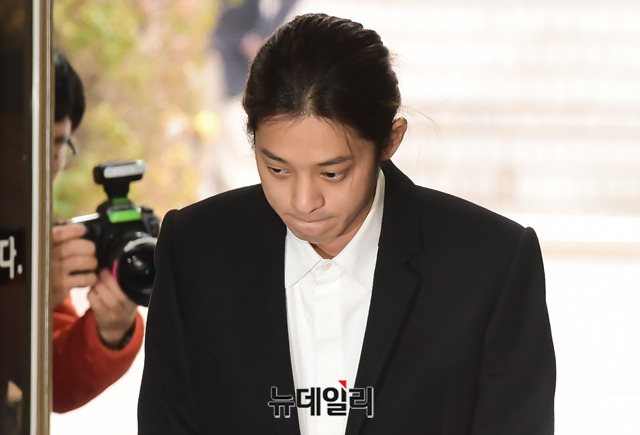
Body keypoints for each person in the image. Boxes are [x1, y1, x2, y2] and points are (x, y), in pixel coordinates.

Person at [138, 13, 556, 435]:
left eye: (332, 173)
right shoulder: (194, 250)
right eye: (277, 169)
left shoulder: (491, 267)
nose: (304, 201)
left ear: (390, 140)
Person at [51, 51, 144, 413]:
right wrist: (21, 292)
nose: (47, 163)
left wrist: (111, 331)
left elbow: (53, 380)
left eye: (58, 146)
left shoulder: (40, 235)